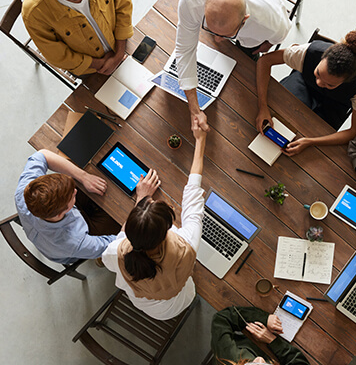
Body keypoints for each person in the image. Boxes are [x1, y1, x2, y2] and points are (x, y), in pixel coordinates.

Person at [102, 120, 207, 320]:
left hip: (151, 309)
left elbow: (121, 239)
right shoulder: (186, 245)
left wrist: (140, 200)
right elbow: (193, 196)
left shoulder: (116, 252)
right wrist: (201, 141)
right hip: (179, 300)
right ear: (166, 231)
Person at [176, 0, 292, 132]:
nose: (217, 40)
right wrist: (194, 109)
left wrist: (267, 44)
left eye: (224, 35)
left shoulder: (271, 24)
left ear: (245, 21)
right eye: (210, 29)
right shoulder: (190, 0)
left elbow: (277, 38)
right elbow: (184, 51)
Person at [256, 28, 356, 156]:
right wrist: (262, 106)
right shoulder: (308, 52)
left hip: (334, 105)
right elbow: (264, 61)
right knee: (279, 113)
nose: (319, 83)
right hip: (303, 84)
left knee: (312, 141)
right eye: (318, 73)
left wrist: (310, 142)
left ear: (346, 81)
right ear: (322, 58)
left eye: (330, 84)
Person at [22, 0, 133, 76]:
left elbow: (123, 3)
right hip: (91, 70)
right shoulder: (33, 12)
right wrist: (101, 64)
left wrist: (118, 55)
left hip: (122, 43)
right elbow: (57, 56)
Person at [14, 149, 120, 264]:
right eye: (72, 196)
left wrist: (84, 177)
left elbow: (42, 154)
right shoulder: (74, 242)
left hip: (49, 231)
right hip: (75, 245)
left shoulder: (26, 192)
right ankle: (100, 260)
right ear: (60, 213)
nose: (75, 191)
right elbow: (116, 245)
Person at [211, 306, 310, 365]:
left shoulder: (228, 357)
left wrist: (263, 318)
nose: (260, 359)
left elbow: (221, 319)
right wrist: (273, 341)